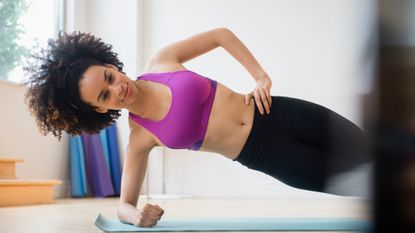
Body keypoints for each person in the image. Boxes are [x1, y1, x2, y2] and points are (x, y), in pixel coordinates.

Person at [25, 28, 369, 227]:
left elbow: (221, 35)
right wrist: (135, 215)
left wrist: (260, 76)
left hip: (280, 112)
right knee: (363, 183)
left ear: (111, 65)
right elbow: (123, 205)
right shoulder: (140, 138)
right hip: (270, 157)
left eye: (110, 78)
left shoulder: (162, 61)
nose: (117, 89)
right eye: (104, 95)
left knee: (370, 149)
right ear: (99, 109)